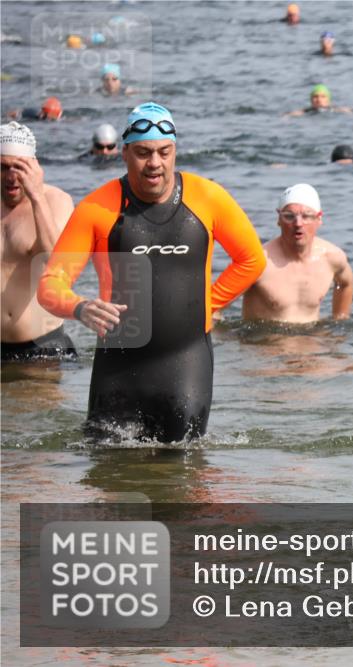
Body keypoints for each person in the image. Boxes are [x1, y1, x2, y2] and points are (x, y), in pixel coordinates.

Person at [37, 102, 266, 441]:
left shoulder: (208, 198)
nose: (155, 163)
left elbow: (252, 260)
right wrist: (80, 307)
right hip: (117, 366)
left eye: (164, 151)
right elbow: (50, 284)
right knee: (104, 474)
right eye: (143, 152)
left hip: (186, 362)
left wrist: (209, 302)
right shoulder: (97, 208)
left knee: (181, 476)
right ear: (124, 153)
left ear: (174, 152)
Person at [1, 122, 76, 361]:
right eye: (3, 167)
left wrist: (35, 196)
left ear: (34, 168)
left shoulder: (56, 201)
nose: (12, 177)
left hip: (42, 351)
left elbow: (57, 261)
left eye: (20, 168)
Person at [241, 183, 353, 322]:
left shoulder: (332, 258)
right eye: (289, 216)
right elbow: (214, 306)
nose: (298, 223)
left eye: (306, 216)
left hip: (314, 341)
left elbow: (346, 284)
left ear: (319, 219)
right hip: (267, 342)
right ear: (278, 219)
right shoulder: (259, 263)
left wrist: (340, 319)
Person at [286, 84, 352, 116]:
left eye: (323, 97)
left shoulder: (335, 109)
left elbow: (352, 112)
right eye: (315, 96)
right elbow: (289, 114)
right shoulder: (306, 111)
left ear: (328, 100)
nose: (319, 99)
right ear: (311, 100)